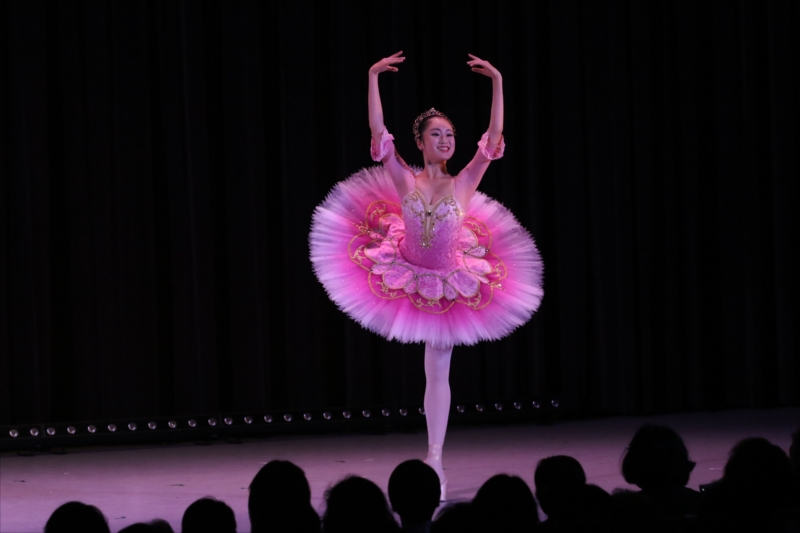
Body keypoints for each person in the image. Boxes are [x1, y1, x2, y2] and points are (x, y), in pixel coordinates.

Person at [310, 51, 543, 500]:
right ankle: (432, 457)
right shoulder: (405, 179)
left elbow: (493, 138)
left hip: (448, 278)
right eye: (436, 133)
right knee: (431, 369)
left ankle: (435, 456)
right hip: (406, 267)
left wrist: (497, 81)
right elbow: (378, 132)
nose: (446, 139)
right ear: (419, 142)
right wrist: (372, 76)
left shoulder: (465, 182)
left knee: (438, 371)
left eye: (450, 134)